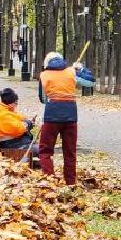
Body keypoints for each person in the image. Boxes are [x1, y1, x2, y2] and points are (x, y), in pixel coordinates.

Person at [36, 50, 80, 185]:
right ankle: (70, 183)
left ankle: (50, 181)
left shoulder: (44, 75)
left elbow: (43, 99)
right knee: (70, 152)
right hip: (71, 116)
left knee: (45, 150)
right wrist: (80, 69)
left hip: (52, 116)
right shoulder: (72, 71)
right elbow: (90, 82)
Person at [0, 87, 34, 153]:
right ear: (11, 104)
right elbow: (18, 129)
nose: (16, 105)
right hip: (10, 145)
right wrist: (28, 123)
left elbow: (16, 116)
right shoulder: (3, 115)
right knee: (41, 150)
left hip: (11, 142)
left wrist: (26, 119)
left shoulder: (1, 109)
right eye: (16, 103)